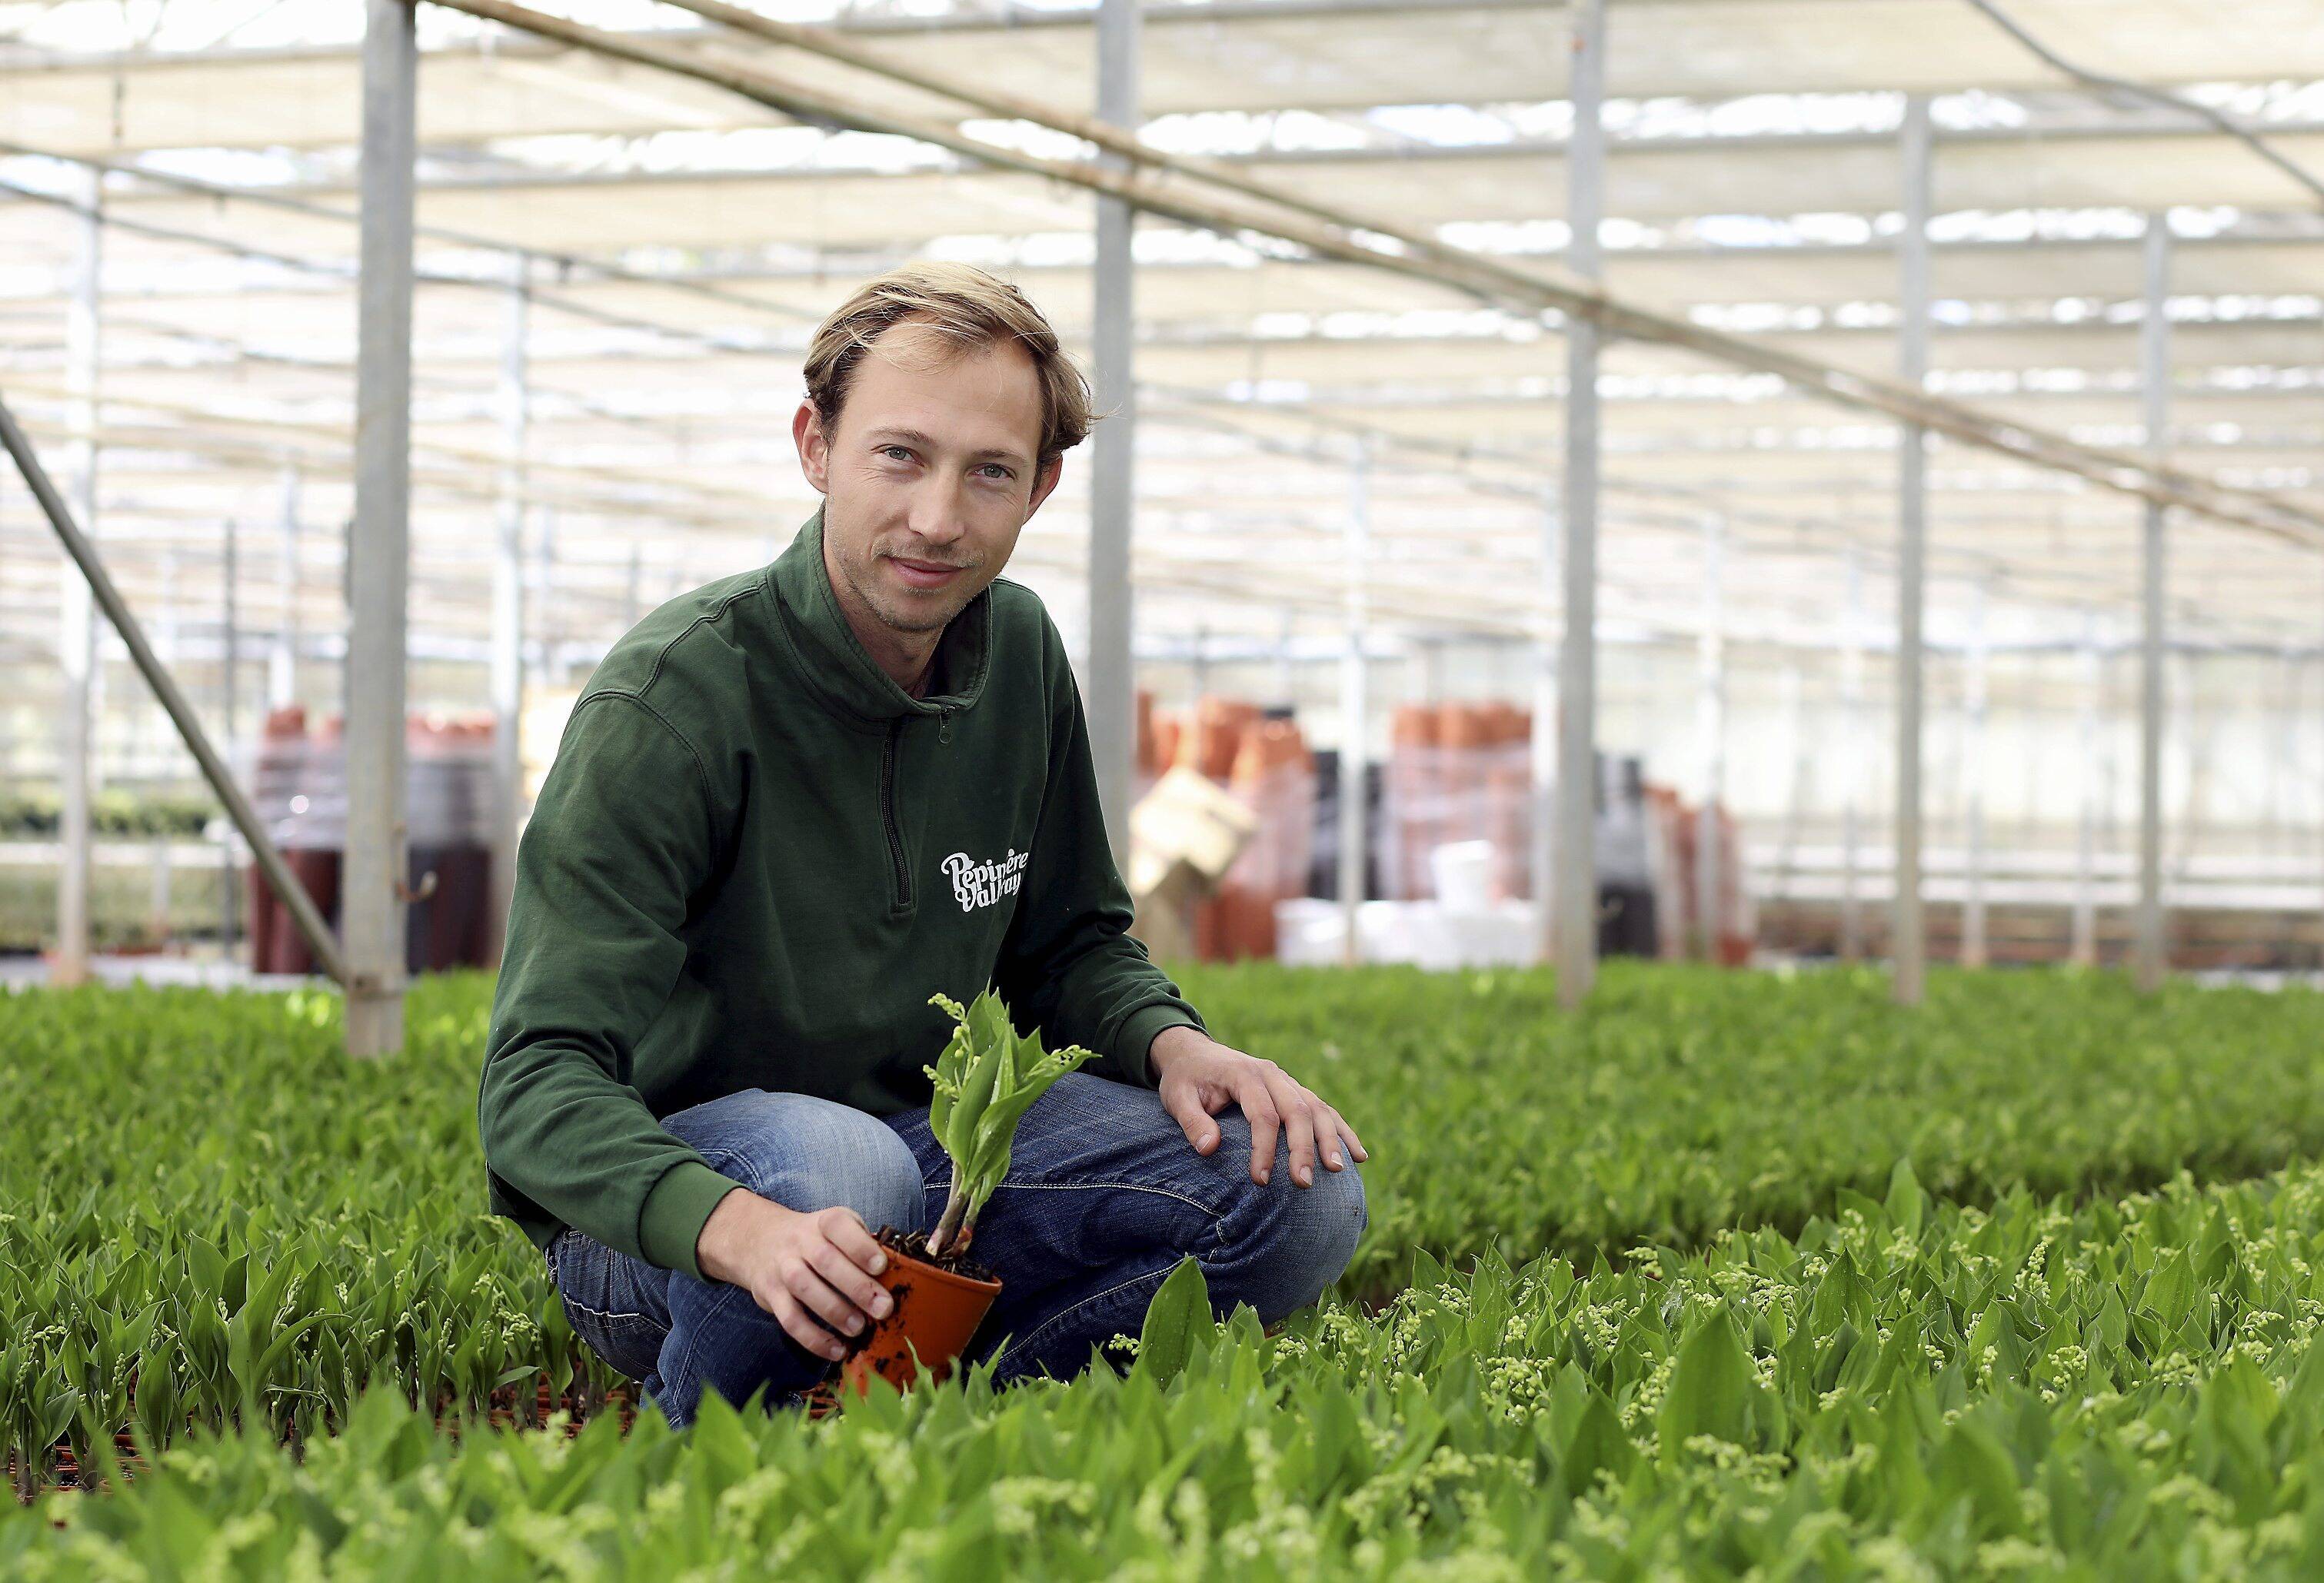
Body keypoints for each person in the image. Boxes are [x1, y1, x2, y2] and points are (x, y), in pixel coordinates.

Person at [478, 262, 1368, 1428]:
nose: (939, 519)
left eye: (988, 472)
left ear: (1039, 488)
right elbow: (532, 1084)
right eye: (899, 455)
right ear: (816, 446)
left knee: (1295, 1193)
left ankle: (937, 1422)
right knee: (844, 1170)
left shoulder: (1017, 651)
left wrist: (1169, 1046)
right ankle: (698, 1475)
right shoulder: (674, 700)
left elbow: (1067, 947)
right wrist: (734, 1227)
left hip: (928, 1164)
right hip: (683, 1213)